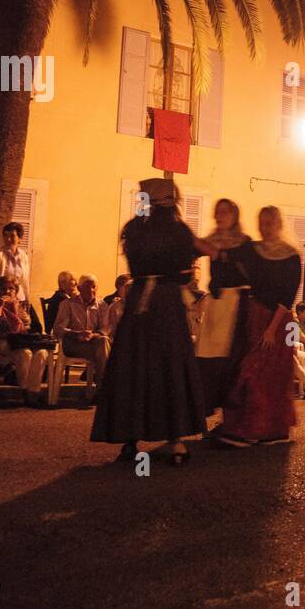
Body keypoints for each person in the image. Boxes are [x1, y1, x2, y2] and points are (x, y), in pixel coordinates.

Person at [92, 179, 206, 465]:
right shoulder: (179, 231)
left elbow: (136, 264)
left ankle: (130, 442)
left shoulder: (133, 229)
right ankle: (176, 441)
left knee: (135, 367)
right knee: (170, 367)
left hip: (140, 302)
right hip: (166, 303)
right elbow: (184, 275)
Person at [217, 206, 302, 447]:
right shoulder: (253, 250)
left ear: (278, 224)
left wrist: (271, 329)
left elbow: (287, 296)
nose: (264, 229)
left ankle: (270, 430)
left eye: (269, 223)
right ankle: (248, 427)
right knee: (250, 371)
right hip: (253, 315)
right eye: (261, 223)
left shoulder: (291, 256)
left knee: (271, 376)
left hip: (278, 320)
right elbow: (227, 256)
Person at [196, 199, 255, 440]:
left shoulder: (245, 243)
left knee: (231, 362)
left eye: (225, 212)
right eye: (217, 212)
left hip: (235, 304)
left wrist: (219, 254)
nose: (220, 216)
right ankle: (203, 414)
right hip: (215, 305)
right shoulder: (210, 240)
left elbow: (245, 269)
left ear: (235, 215)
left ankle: (230, 420)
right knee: (207, 360)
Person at [0, 276, 51, 403]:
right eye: (3, 288)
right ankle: (24, 391)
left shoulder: (26, 306)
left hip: (25, 341)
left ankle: (33, 391)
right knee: (25, 353)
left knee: (41, 353)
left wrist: (27, 328)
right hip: (4, 343)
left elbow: (38, 328)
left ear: (16, 291)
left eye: (11, 288)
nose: (7, 291)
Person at [52, 273, 111, 386]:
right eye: (88, 287)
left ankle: (101, 389)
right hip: (73, 344)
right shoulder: (67, 304)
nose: (91, 290)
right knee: (105, 351)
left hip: (94, 342)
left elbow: (106, 327)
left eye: (94, 287)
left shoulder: (102, 305)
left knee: (104, 341)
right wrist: (77, 334)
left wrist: (93, 335)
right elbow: (58, 329)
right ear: (79, 288)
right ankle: (103, 390)